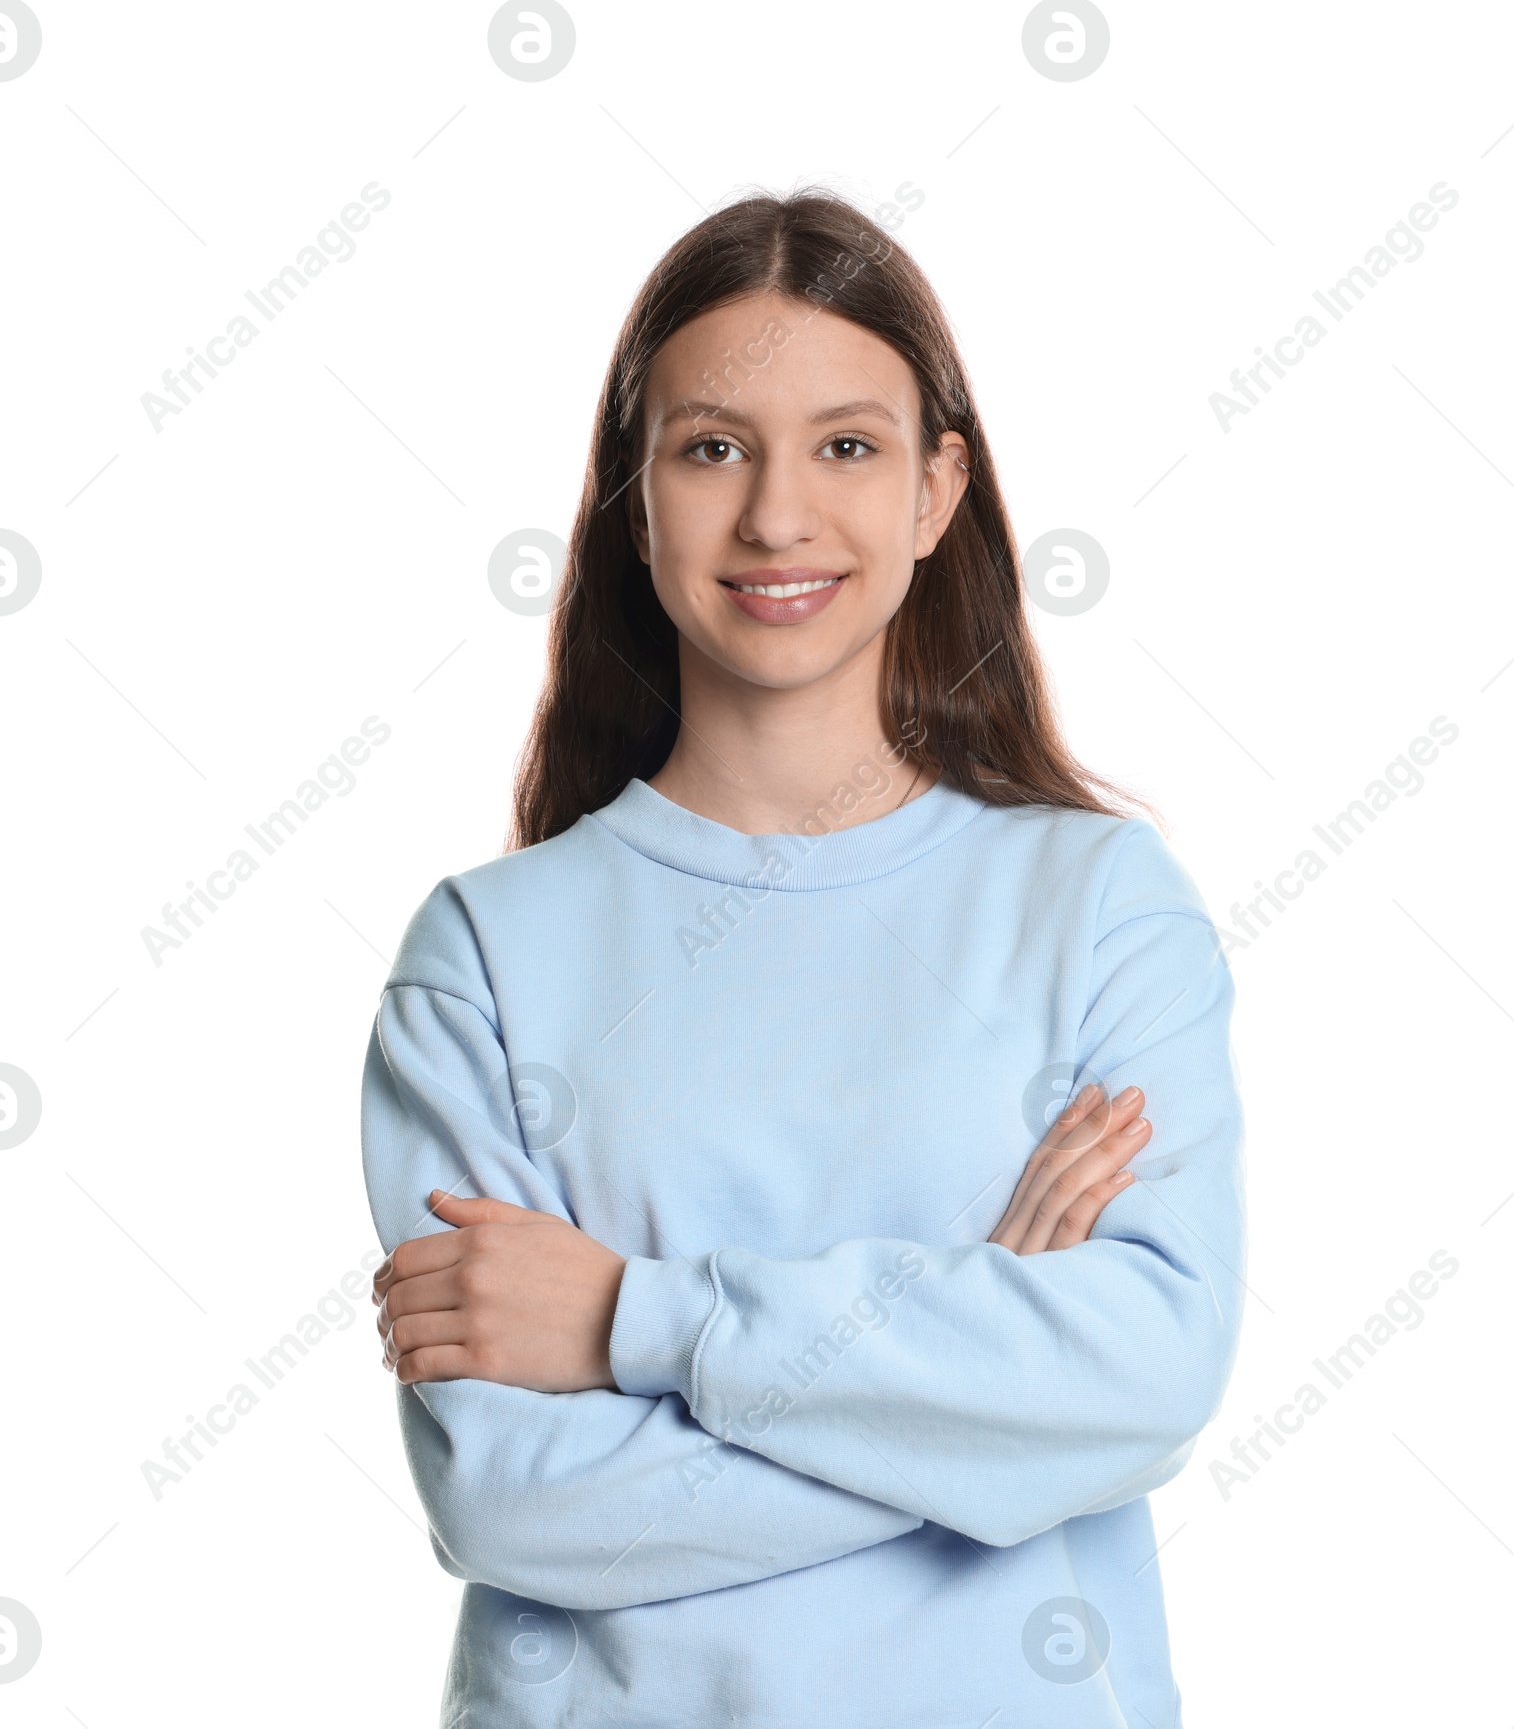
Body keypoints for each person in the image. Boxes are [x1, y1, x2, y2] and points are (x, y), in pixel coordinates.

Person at [362, 186, 1246, 1727]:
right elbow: (512, 1504)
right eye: (712, 446)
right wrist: (983, 1395)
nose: (777, 514)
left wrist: (635, 1318)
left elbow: (1146, 1380)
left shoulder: (1101, 901)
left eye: (847, 444)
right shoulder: (487, 955)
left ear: (934, 488)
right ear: (635, 498)